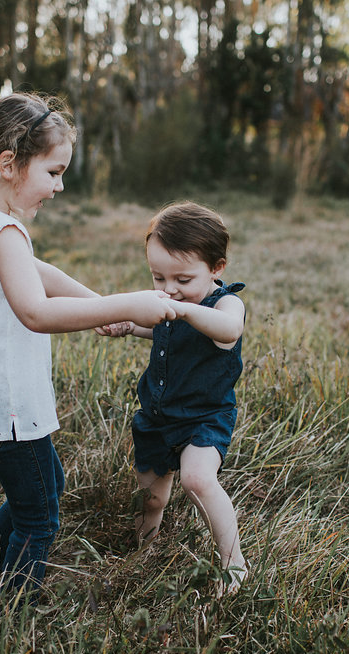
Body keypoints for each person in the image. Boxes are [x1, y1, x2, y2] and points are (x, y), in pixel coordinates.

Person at [0, 92, 176, 598]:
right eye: (53, 171)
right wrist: (126, 305)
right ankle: (11, 614)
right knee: (39, 518)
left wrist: (101, 305)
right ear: (8, 163)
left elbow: (41, 275)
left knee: (44, 488)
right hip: (5, 400)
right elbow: (35, 311)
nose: (60, 186)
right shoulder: (2, 230)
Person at [103, 201, 249, 594]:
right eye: (158, 277)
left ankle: (232, 561)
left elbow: (228, 330)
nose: (169, 289)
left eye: (183, 279)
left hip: (204, 417)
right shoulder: (174, 301)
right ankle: (145, 551)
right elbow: (163, 331)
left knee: (197, 479)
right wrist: (130, 326)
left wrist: (184, 310)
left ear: (216, 267)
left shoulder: (225, 304)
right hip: (156, 417)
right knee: (150, 498)